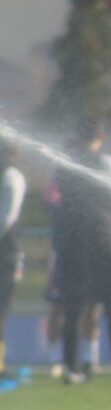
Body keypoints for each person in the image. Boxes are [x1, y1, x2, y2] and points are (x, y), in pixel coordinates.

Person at [55, 117, 111, 384]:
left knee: (73, 306)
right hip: (103, 240)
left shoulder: (64, 165)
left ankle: (71, 369)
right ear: (101, 137)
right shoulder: (107, 163)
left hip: (72, 242)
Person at [43, 179, 103, 378]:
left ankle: (90, 359)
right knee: (57, 307)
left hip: (89, 256)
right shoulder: (57, 186)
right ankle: (55, 360)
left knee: (91, 308)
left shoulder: (92, 187)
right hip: (62, 257)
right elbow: (51, 201)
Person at [0, 137, 26, 386]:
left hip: (6, 254)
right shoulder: (11, 176)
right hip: (6, 254)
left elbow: (6, 216)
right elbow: (6, 218)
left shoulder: (11, 177)